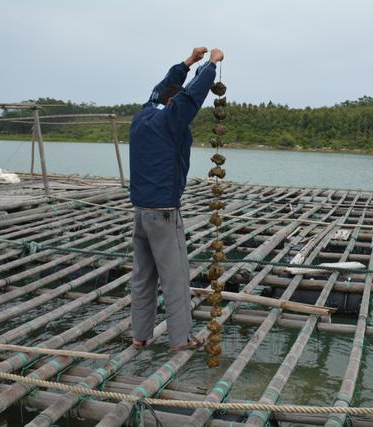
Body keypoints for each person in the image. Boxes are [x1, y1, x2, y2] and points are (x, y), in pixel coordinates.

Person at [129, 47, 224, 352]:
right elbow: (191, 96)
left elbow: (161, 89)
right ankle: (181, 339)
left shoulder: (144, 114)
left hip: (141, 212)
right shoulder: (170, 120)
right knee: (175, 279)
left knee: (143, 278)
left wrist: (189, 62)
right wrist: (210, 65)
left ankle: (139, 336)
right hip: (164, 214)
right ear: (172, 103)